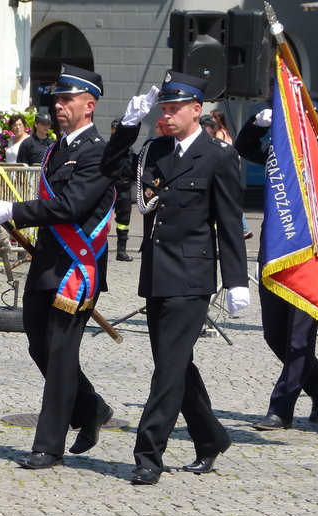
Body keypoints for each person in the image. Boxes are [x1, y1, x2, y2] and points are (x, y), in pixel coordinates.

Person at [102, 71, 249, 485]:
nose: (165, 115)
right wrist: (129, 126)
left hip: (192, 277)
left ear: (196, 111)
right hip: (156, 274)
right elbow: (111, 168)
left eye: (173, 108)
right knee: (176, 365)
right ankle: (211, 437)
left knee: (167, 369)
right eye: (162, 108)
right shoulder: (153, 150)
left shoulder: (218, 156)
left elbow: (229, 221)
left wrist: (236, 279)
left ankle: (148, 453)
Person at [0, 64, 115, 469]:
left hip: (77, 268)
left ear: (88, 105)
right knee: (38, 346)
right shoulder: (57, 149)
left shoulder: (99, 151)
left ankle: (48, 445)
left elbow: (71, 205)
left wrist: (15, 211)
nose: (58, 106)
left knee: (59, 353)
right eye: (56, 99)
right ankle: (90, 408)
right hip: (47, 263)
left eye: (66, 99)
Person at [233, 92, 318, 430]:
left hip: (311, 263)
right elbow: (244, 147)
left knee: (300, 340)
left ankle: (280, 410)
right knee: (274, 335)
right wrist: (258, 124)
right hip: (276, 257)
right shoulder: (280, 156)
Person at [109, 119, 135, 262]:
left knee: (124, 222)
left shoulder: (129, 149)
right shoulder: (109, 147)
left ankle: (121, 251)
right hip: (109, 189)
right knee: (102, 220)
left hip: (124, 189)